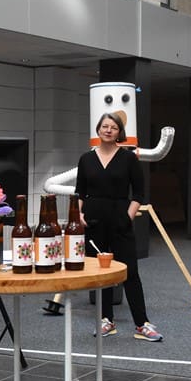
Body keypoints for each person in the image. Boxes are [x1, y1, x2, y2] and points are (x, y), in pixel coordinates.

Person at [76, 112, 163, 342]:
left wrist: (128, 217)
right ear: (98, 129)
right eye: (105, 126)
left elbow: (139, 193)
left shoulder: (128, 158)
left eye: (113, 127)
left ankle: (142, 324)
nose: (108, 130)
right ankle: (106, 320)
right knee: (101, 273)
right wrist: (79, 214)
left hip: (120, 219)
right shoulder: (86, 159)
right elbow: (80, 191)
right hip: (93, 221)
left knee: (129, 271)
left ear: (119, 132)